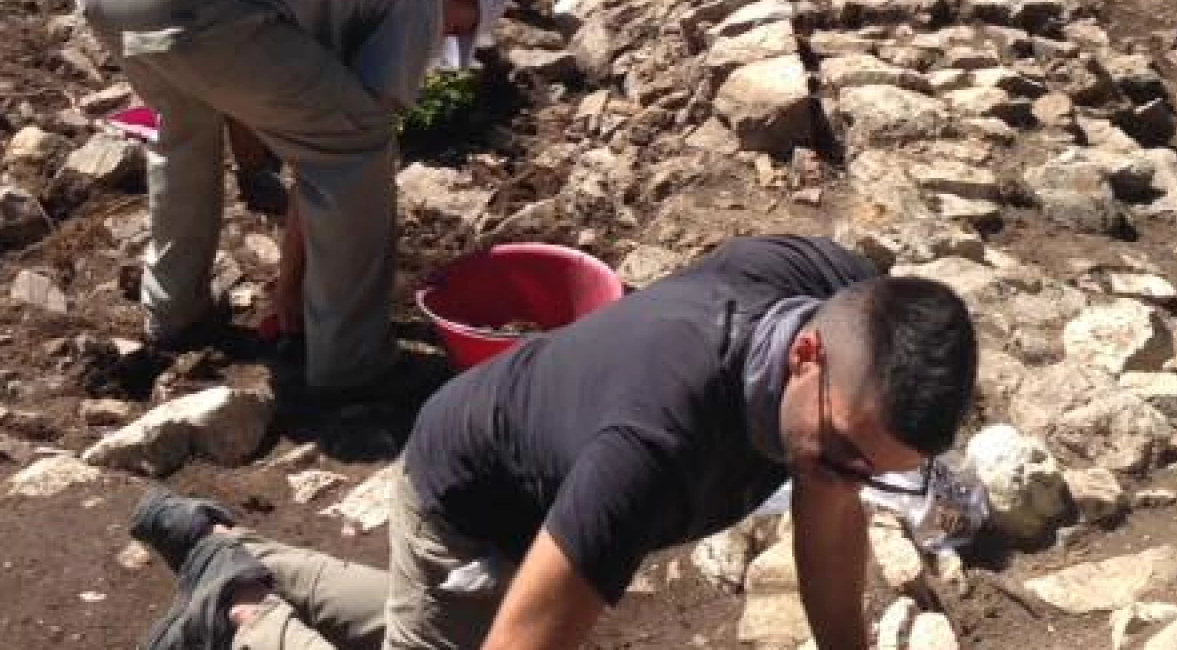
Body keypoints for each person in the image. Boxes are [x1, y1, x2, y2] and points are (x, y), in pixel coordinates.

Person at [128, 235, 979, 650]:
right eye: (840, 455)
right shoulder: (651, 452)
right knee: (463, 616)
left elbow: (831, 508)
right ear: (804, 356)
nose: (844, 481)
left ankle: (223, 546)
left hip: (548, 461)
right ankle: (243, 608)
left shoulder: (842, 305)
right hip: (467, 496)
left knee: (447, 612)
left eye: (877, 472)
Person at [75, 0, 511, 399]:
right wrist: (292, 295)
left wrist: (288, 288)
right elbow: (344, 148)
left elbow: (311, 141)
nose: (443, 38)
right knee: (359, 145)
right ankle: (352, 361)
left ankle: (174, 312)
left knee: (187, 129)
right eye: (458, 27)